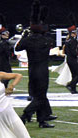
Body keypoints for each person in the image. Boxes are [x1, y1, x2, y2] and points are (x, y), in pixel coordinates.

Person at [15, 0, 56, 128]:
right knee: (41, 97)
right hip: (42, 71)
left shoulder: (27, 41)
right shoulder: (47, 40)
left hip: (32, 71)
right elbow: (51, 43)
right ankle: (25, 115)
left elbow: (17, 48)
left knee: (38, 96)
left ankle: (41, 120)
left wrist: (25, 35)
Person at [63, 13, 78, 94]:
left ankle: (73, 89)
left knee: (74, 75)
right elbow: (73, 52)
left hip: (69, 59)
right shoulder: (73, 40)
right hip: (73, 60)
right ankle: (70, 85)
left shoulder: (67, 40)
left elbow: (67, 51)